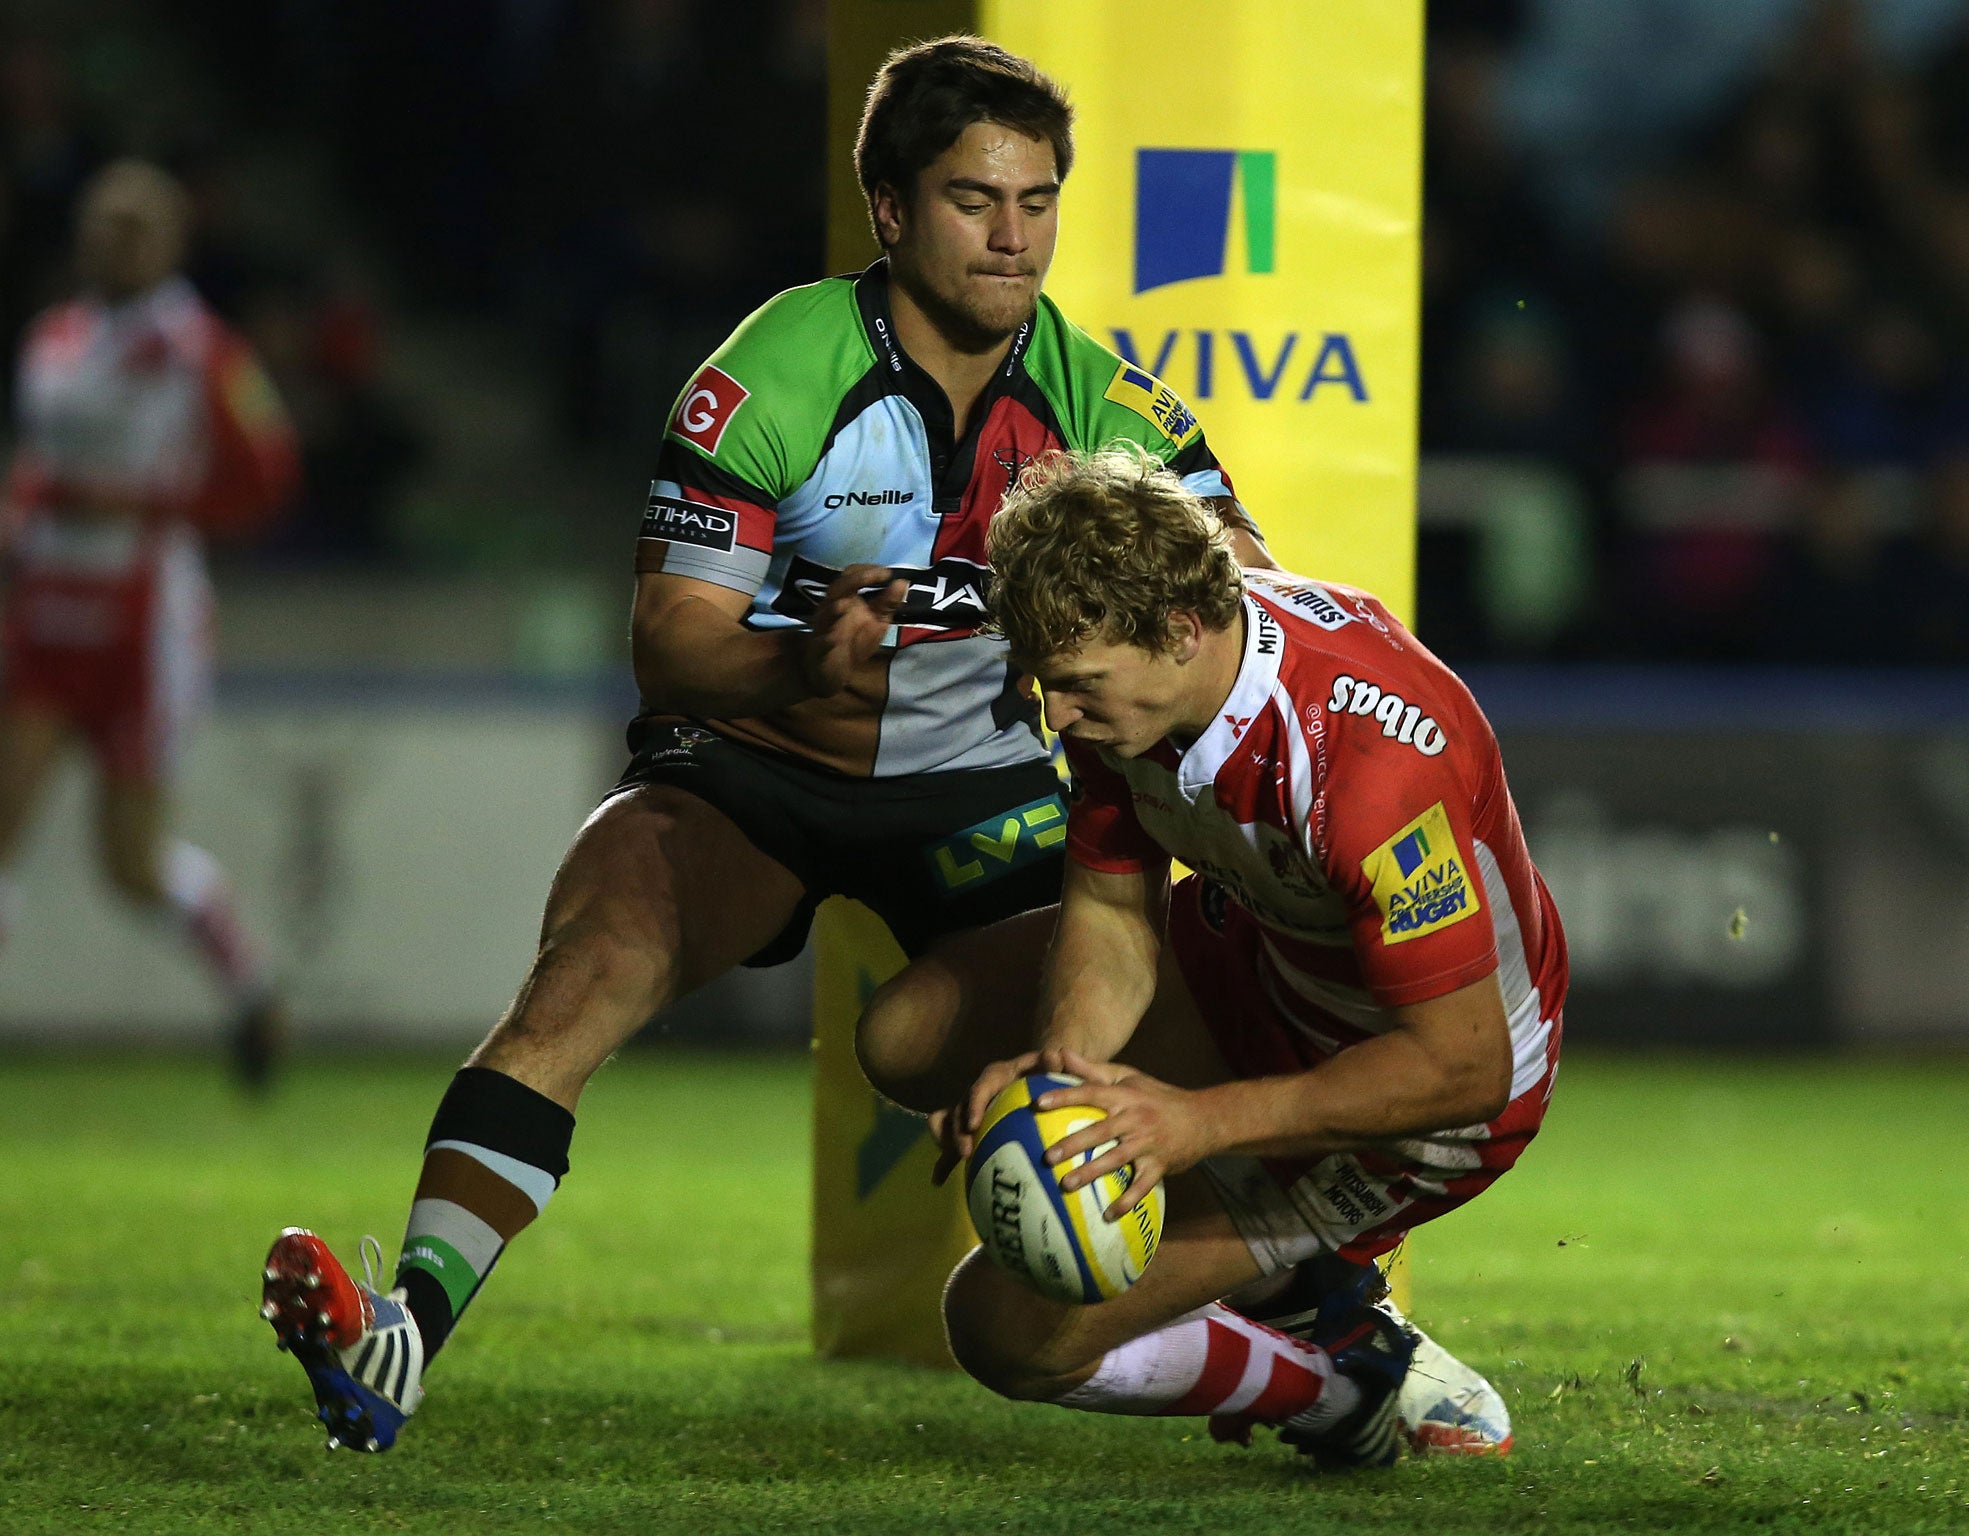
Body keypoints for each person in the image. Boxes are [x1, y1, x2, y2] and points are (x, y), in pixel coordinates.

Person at [260, 36, 1271, 1453]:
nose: (1014, 235)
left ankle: (1328, 1333)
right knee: (586, 973)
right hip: (761, 775)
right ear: (893, 208)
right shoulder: (772, 374)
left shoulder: (1109, 405)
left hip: (991, 798)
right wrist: (801, 655)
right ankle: (405, 1334)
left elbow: (1243, 594)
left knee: (1002, 1052)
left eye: (1038, 202)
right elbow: (671, 639)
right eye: (977, 199)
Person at [859, 447, 1567, 1466]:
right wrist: (1068, 1075)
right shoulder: (1135, 670)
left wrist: (1194, 1124)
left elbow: (1462, 1068)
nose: (1055, 716)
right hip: (1265, 966)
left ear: (1181, 633)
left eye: (1076, 687)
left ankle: (1341, 1383)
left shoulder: (1370, 773)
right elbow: (1112, 903)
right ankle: (1296, 1292)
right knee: (905, 1031)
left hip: (1423, 1109)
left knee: (1003, 1339)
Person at [0, 159, 299, 1086]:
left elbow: (266, 472)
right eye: (103, 223)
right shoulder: (54, 337)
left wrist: (154, 505)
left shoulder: (201, 350)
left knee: (128, 866)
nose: (114, 241)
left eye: (135, 227)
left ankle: (251, 991)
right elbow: (39, 467)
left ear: (171, 244)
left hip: (143, 631)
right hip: (48, 617)